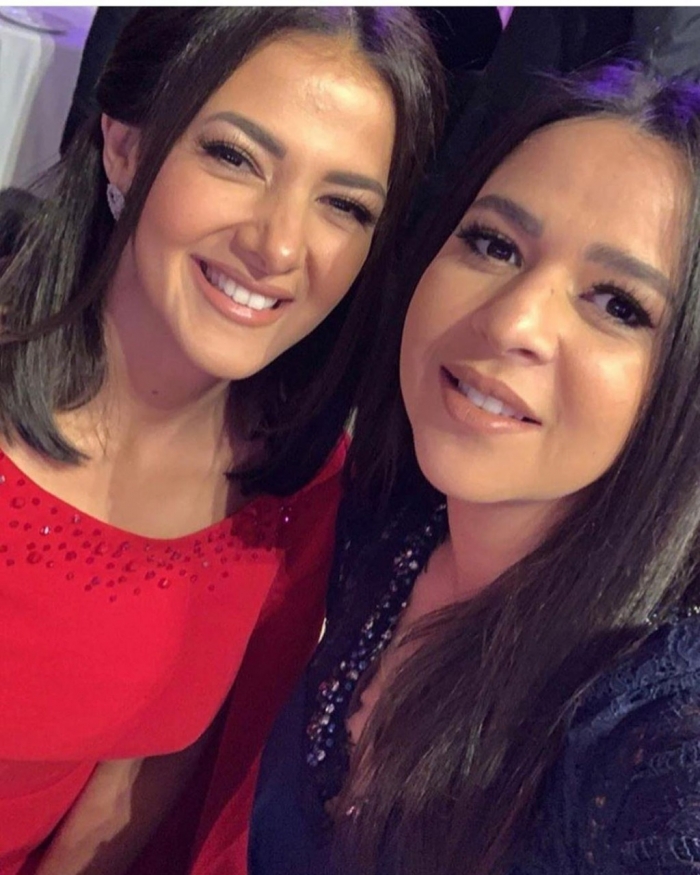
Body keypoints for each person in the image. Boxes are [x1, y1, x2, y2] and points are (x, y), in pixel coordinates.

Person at [0, 8, 444, 875]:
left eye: (343, 204)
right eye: (236, 157)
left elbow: (128, 795)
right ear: (125, 144)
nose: (278, 245)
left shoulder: (296, 488)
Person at [250, 61, 700, 875]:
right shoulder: (387, 524)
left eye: (618, 304)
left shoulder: (656, 728)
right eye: (495, 244)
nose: (512, 320)